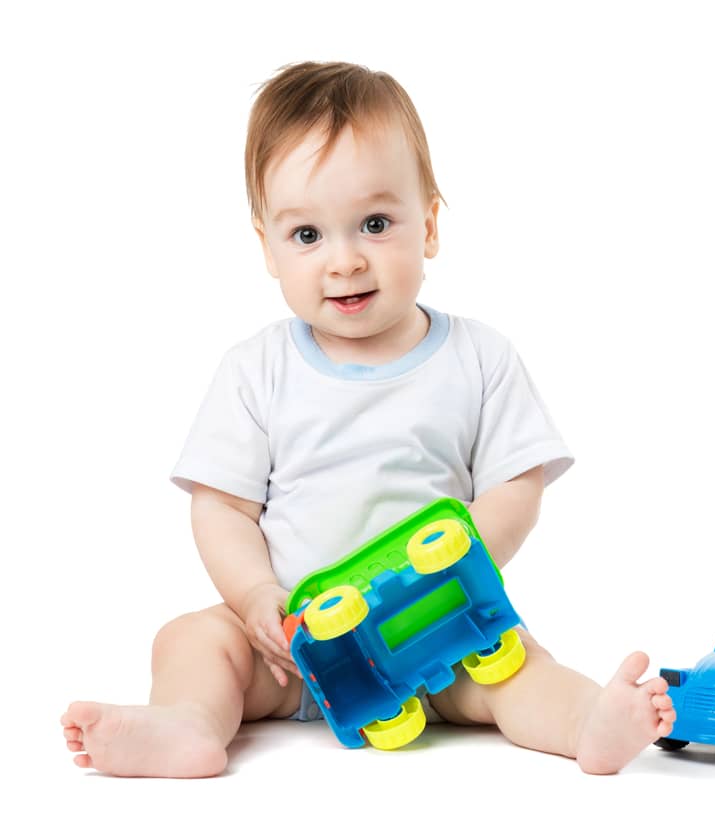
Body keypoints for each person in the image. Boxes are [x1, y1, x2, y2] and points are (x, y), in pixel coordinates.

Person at [60, 60, 675, 778]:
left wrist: (453, 564)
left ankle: (587, 722)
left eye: (375, 224)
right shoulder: (255, 369)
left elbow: (518, 485)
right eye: (307, 236)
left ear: (431, 225)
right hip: (288, 649)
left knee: (516, 664)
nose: (344, 261)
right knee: (191, 640)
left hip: (429, 632)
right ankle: (188, 722)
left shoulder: (478, 358)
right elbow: (221, 506)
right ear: (266, 245)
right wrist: (257, 598)